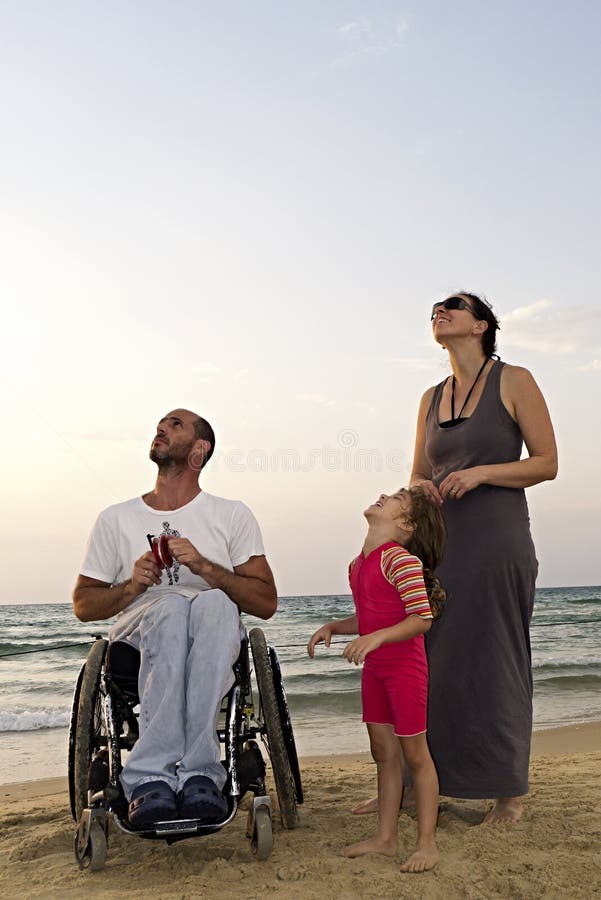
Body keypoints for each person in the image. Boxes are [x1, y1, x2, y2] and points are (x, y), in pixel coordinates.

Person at [73, 408, 277, 827]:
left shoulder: (231, 514)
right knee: (167, 607)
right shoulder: (116, 518)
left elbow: (266, 601)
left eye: (175, 424)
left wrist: (207, 569)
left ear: (199, 451)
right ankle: (150, 775)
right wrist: (132, 587)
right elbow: (82, 604)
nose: (161, 428)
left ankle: (201, 771)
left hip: (211, 625)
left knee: (216, 602)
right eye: (160, 424)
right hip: (142, 627)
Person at [411, 292, 558, 823]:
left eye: (452, 306)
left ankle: (508, 796)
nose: (439, 313)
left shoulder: (513, 380)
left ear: (481, 325)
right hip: (440, 545)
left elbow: (547, 463)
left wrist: (480, 473)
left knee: (496, 659)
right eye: (433, 310)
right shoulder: (431, 397)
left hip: (497, 541)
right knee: (434, 661)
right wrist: (415, 496)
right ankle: (425, 787)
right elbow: (418, 475)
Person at [307, 487, 446, 873]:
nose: (385, 494)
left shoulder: (400, 560)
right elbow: (371, 619)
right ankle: (385, 839)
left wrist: (375, 638)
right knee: (383, 754)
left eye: (398, 496)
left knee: (415, 756)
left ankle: (427, 845)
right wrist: (338, 626)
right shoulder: (358, 564)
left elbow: (421, 618)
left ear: (406, 524)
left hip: (405, 671)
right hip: (376, 671)